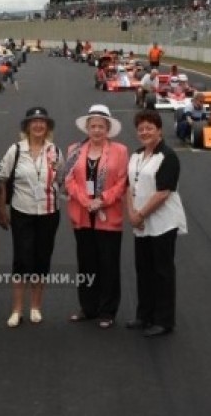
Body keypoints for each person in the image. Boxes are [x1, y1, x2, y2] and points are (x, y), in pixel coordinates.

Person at [0, 107, 64, 327]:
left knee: (41, 259)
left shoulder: (55, 151)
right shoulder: (15, 151)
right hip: (22, 212)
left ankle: (35, 306)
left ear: (47, 127)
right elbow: (2, 179)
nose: (38, 126)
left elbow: (61, 179)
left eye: (42, 122)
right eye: (33, 122)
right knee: (22, 259)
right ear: (26, 127)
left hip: (48, 212)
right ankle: (17, 310)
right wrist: (1, 210)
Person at [64, 104, 128, 329]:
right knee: (86, 263)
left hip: (107, 215)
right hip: (82, 214)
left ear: (108, 128)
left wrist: (102, 200)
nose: (97, 130)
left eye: (101, 126)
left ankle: (107, 311)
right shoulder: (74, 149)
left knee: (108, 264)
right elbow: (68, 179)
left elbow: (122, 182)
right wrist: (85, 201)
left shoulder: (120, 151)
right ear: (87, 128)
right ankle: (88, 307)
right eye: (93, 126)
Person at [125, 109, 187, 337]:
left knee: (162, 272)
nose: (145, 132)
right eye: (141, 129)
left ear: (159, 130)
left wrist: (140, 215)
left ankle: (163, 320)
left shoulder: (168, 157)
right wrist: (132, 215)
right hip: (141, 224)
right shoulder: (136, 155)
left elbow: (163, 193)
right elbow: (129, 187)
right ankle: (144, 315)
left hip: (162, 223)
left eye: (149, 128)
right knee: (143, 271)